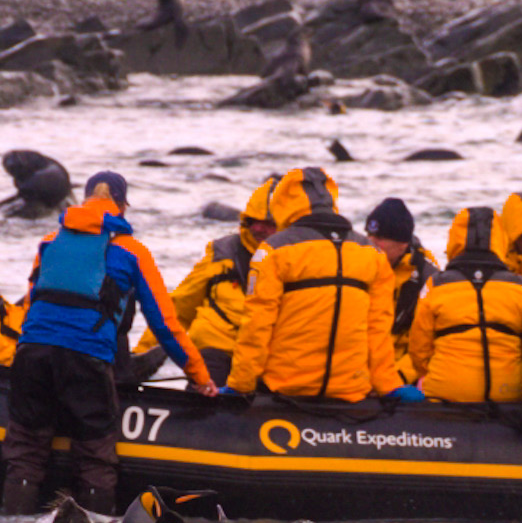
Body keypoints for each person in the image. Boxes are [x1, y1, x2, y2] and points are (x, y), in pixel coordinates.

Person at [2, 172, 217, 515]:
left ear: (83, 200)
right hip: (86, 360)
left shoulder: (49, 241)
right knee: (95, 457)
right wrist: (199, 375)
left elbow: (30, 305)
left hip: (32, 355)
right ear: (122, 205)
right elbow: (164, 323)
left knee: (25, 453)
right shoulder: (131, 251)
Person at [228, 166, 419, 404]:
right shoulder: (371, 253)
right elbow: (378, 329)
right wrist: (389, 386)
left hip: (286, 390)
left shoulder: (272, 250)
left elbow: (257, 323)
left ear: (282, 204)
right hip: (349, 392)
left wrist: (240, 385)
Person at [150, 176, 278, 383]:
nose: (259, 229)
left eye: (269, 223)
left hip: (268, 361)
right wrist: (142, 353)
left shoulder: (297, 261)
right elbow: (179, 308)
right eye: (254, 221)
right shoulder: (221, 253)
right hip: (216, 352)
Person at [408, 207, 522, 403]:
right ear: (500, 240)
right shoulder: (521, 286)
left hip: (446, 392)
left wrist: (439, 376)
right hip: (508, 393)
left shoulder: (436, 285)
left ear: (454, 239)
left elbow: (419, 348)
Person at [365, 197, 438, 341]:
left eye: (379, 238)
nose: (370, 243)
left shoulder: (428, 278)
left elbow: (426, 341)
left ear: (402, 244)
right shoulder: (355, 268)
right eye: (369, 235)